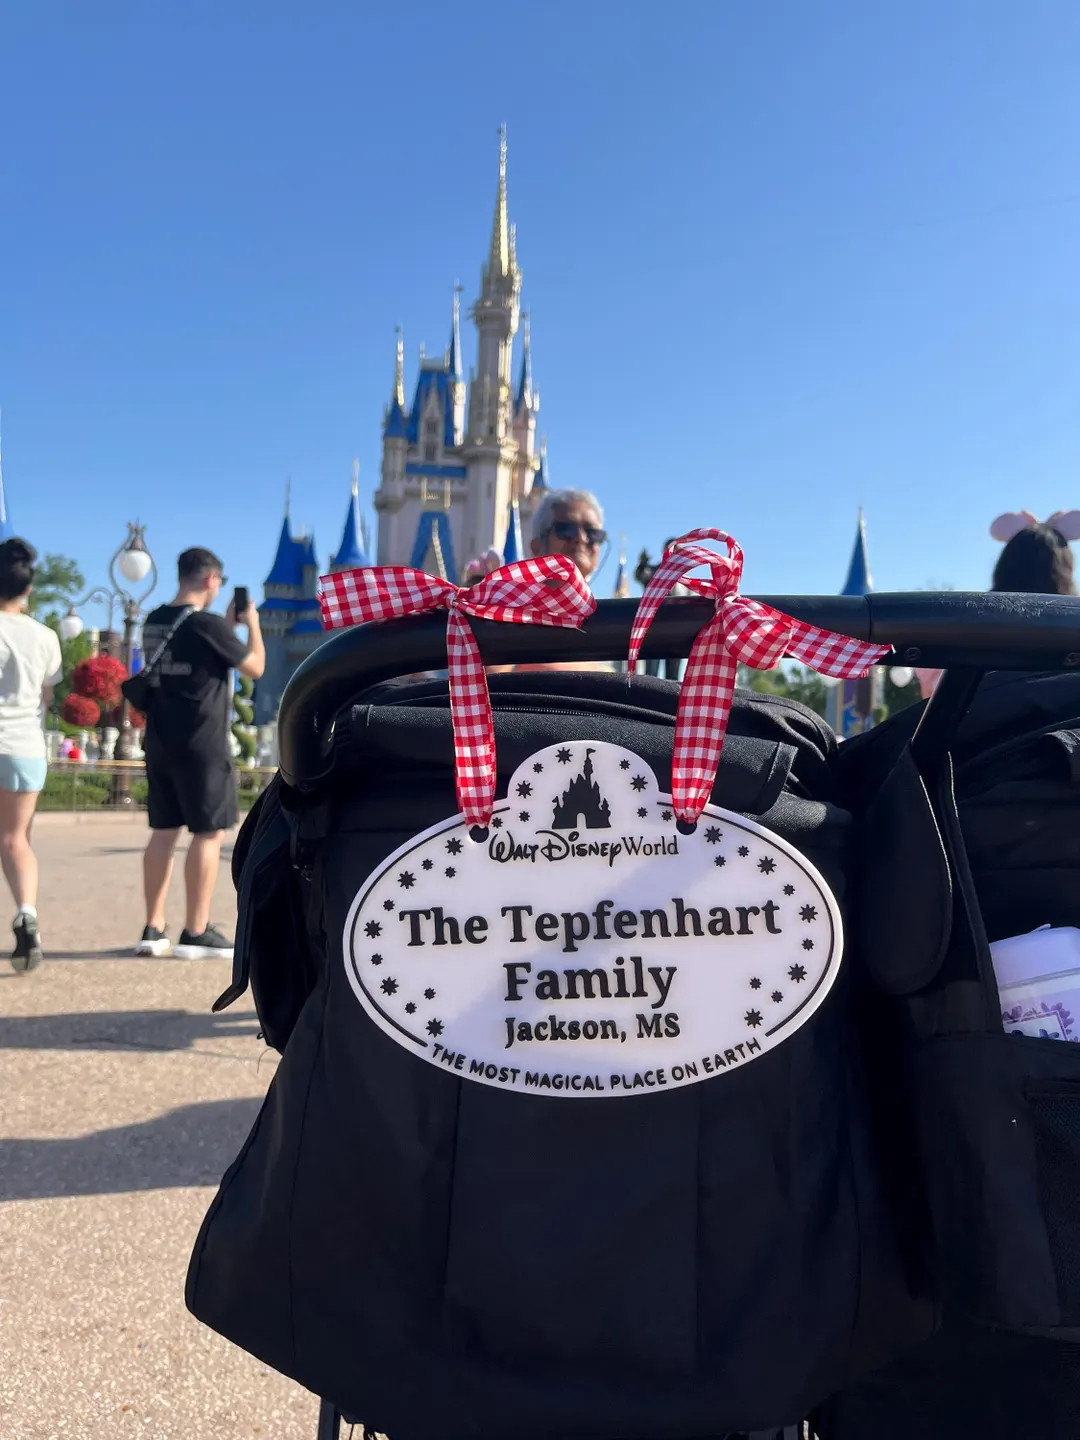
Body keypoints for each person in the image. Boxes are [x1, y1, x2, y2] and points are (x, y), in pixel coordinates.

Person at [135, 547, 264, 960]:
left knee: (163, 832)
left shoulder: (154, 621)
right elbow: (255, 667)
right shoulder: (208, 624)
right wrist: (252, 625)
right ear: (211, 579)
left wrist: (224, 625)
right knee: (207, 833)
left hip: (159, 741)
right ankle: (196, 930)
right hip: (202, 743)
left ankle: (153, 929)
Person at [915, 510, 1079, 697]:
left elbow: (931, 701)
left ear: (1004, 569)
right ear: (1066, 573)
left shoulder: (958, 636)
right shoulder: (1072, 635)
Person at [0, 539, 63, 971]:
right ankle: (27, 913)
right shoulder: (44, 636)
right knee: (15, 839)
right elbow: (47, 694)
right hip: (23, 746)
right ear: (27, 587)